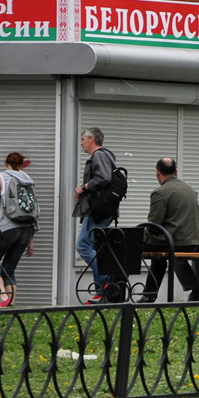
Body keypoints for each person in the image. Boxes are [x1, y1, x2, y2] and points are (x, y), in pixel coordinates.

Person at [139, 157, 199, 302]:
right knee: (158, 257)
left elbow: (154, 225)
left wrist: (142, 235)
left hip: (174, 241)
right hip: (193, 241)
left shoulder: (160, 192)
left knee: (127, 246)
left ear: (157, 173)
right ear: (176, 171)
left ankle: (115, 292)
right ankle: (149, 294)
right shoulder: (191, 190)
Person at [0, 152, 39, 307]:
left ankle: (4, 297)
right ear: (20, 165)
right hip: (26, 230)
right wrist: (30, 240)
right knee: (9, 268)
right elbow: (32, 210)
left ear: (6, 163)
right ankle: (11, 303)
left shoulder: (2, 177)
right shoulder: (29, 181)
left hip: (7, 228)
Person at [73, 127, 116, 298]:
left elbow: (104, 177)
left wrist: (83, 187)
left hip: (98, 209)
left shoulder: (99, 155)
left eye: (83, 139)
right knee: (95, 248)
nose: (81, 143)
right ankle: (101, 291)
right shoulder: (105, 155)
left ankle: (107, 282)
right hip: (101, 208)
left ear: (91, 139)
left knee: (83, 246)